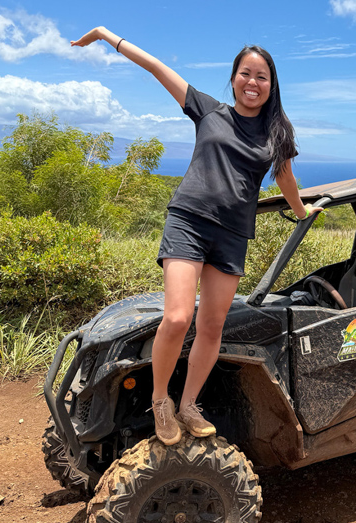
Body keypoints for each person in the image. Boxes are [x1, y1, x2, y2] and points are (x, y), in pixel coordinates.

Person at [71, 27, 322, 445]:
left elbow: (285, 178)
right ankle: (160, 401)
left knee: (212, 326)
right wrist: (105, 35)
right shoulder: (208, 110)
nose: (252, 82)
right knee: (177, 317)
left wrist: (302, 212)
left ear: (272, 84)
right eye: (245, 74)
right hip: (189, 221)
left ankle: (188, 404)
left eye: (261, 76)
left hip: (232, 235)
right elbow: (157, 68)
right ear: (234, 78)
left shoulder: (277, 131)